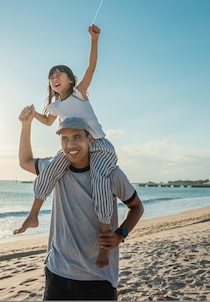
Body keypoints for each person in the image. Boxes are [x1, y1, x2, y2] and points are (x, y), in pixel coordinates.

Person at [13, 24, 118, 269]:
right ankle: (34, 215)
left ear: (71, 80)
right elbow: (49, 122)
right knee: (49, 171)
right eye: (51, 76)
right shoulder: (54, 106)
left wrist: (94, 40)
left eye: (60, 74)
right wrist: (32, 115)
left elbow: (92, 67)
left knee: (100, 182)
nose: (55, 78)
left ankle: (105, 242)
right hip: (73, 146)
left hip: (100, 146)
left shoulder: (79, 94)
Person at [17, 109, 143, 300]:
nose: (71, 144)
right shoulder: (55, 170)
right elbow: (24, 161)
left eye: (77, 137)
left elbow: (136, 207)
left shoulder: (112, 174)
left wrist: (120, 234)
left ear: (89, 140)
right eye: (65, 139)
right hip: (58, 273)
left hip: (99, 278)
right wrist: (26, 126)